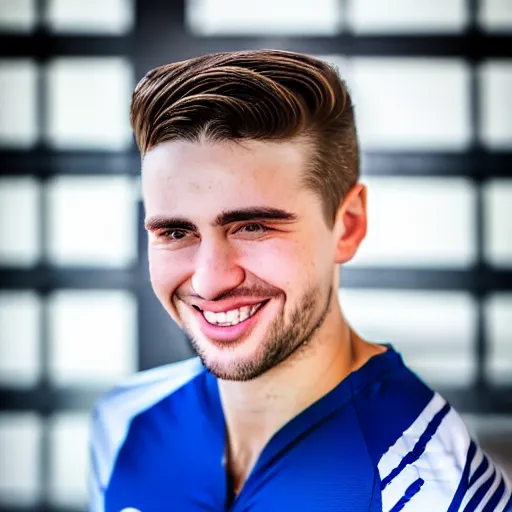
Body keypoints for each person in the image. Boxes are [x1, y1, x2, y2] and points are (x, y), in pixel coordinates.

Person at [88, 49, 511, 512]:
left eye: (253, 227)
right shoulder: (122, 422)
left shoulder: (436, 492)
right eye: (175, 231)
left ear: (347, 225)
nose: (209, 281)